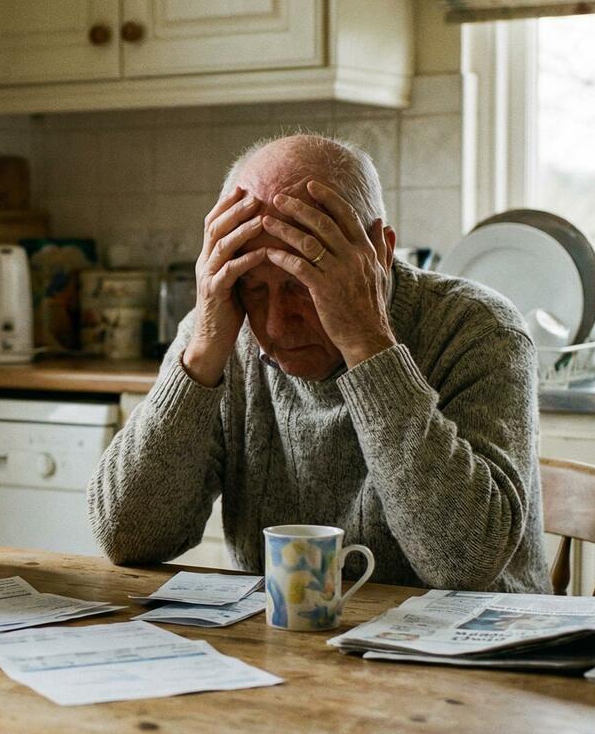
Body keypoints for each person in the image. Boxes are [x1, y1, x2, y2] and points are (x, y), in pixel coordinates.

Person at [88, 133, 548, 594]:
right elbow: (128, 537)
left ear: (380, 253)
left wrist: (367, 344)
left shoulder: (479, 329)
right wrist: (204, 350)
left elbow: (464, 564)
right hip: (288, 647)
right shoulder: (222, 329)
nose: (277, 325)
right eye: (253, 287)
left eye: (302, 284)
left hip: (473, 652)